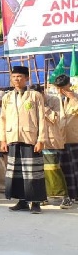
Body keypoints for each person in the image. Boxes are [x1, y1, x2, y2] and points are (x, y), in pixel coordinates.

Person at [0, 66, 47, 214]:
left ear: (26, 78)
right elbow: (3, 119)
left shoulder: (35, 96)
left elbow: (41, 119)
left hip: (30, 138)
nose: (16, 79)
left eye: (19, 77)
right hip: (13, 137)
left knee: (33, 172)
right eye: (14, 77)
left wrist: (41, 139)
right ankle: (22, 201)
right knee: (17, 172)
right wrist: (2, 140)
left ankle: (36, 202)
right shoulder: (7, 97)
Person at [42, 76, 68, 206]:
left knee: (54, 168)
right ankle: (43, 196)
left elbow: (56, 118)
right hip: (37, 141)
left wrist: (44, 107)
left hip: (51, 140)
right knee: (40, 170)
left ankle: (64, 196)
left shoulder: (54, 100)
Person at [56, 75, 78, 209]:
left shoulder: (75, 97)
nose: (61, 91)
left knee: (76, 168)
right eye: (59, 88)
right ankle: (70, 195)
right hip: (61, 139)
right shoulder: (57, 99)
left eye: (63, 88)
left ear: (69, 86)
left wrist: (73, 98)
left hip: (75, 138)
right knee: (66, 169)